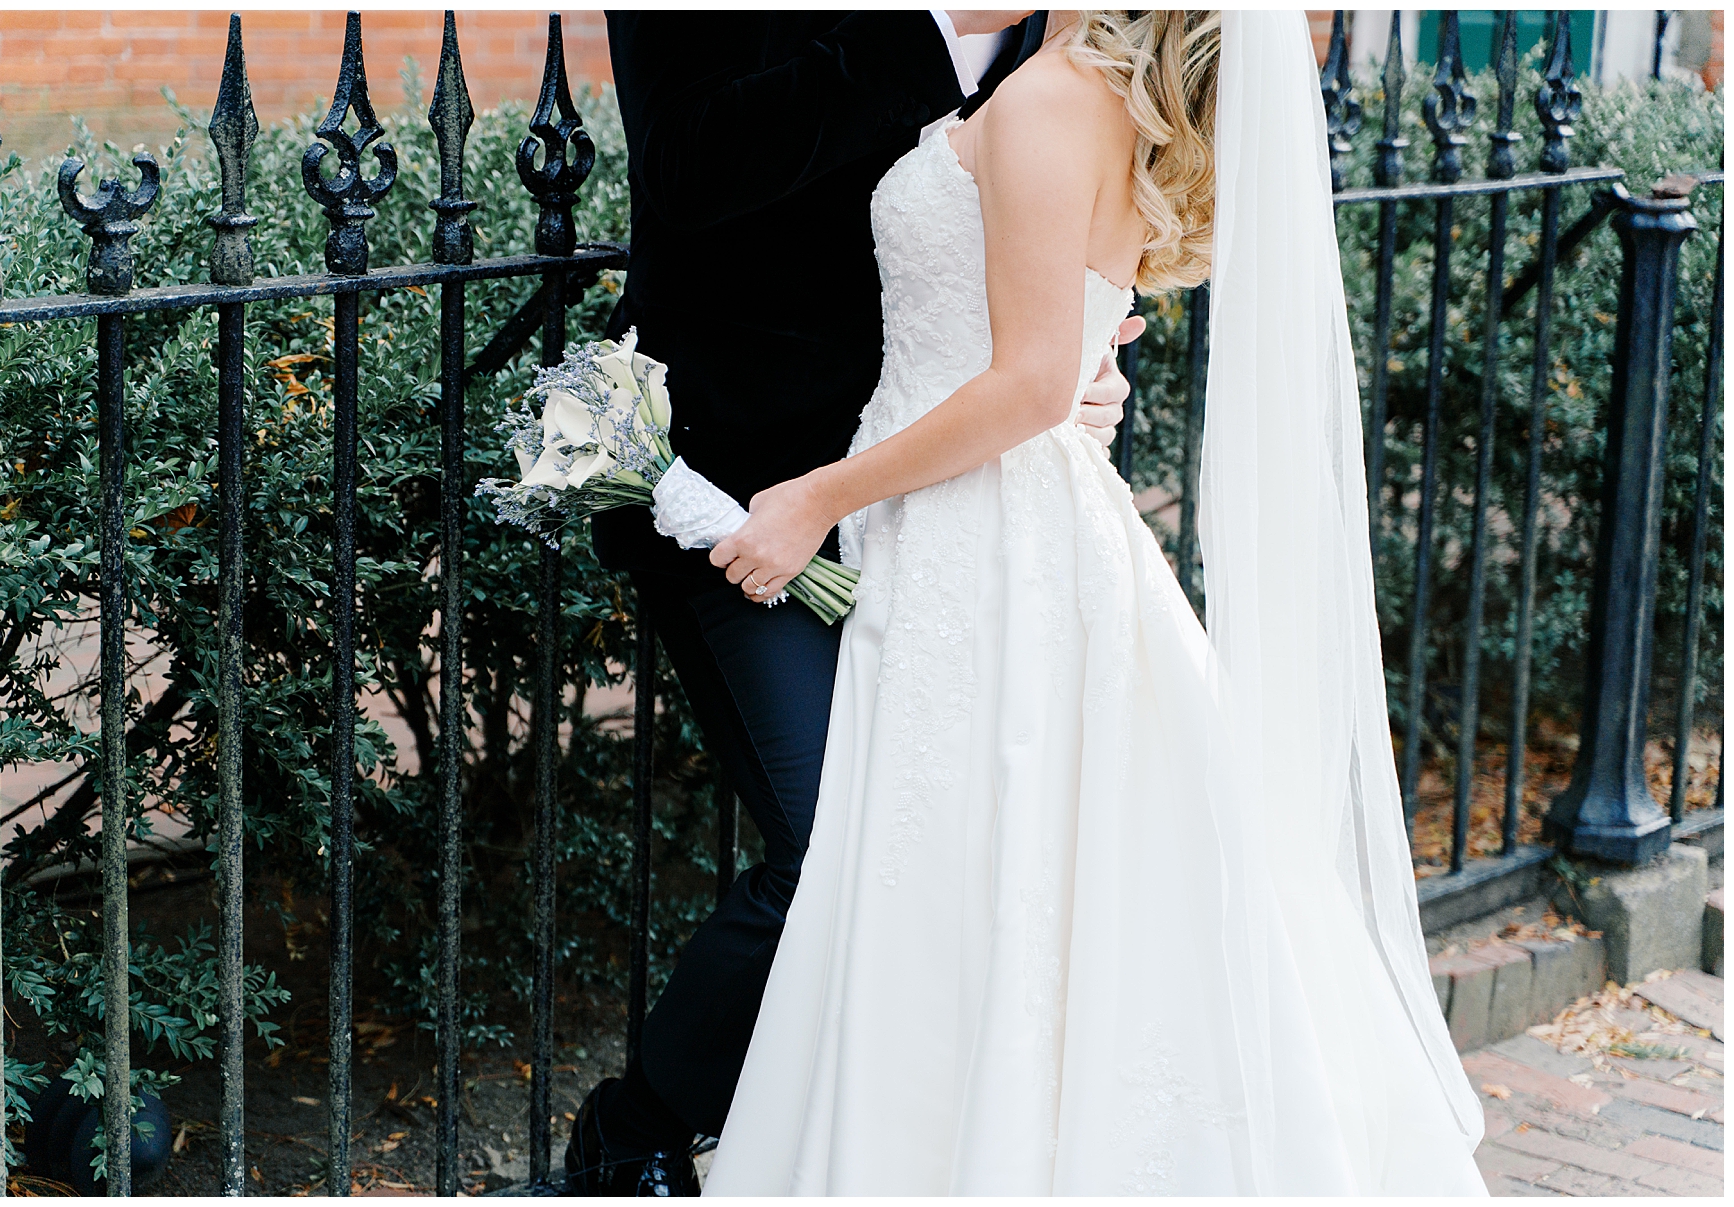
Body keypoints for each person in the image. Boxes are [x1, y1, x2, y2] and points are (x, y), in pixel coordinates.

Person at [701, 11, 1489, 1194]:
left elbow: (1021, 386)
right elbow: (1051, 341)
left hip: (984, 536)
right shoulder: (1079, 93)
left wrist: (815, 495)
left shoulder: (1051, 100)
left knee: (963, 878)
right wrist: (1085, 362)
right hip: (981, 525)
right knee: (996, 875)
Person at [571, 11, 1142, 1195]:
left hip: (954, 505)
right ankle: (635, 1128)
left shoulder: (1059, 27)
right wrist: (939, 26)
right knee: (836, 839)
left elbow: (1032, 218)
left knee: (970, 838)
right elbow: (689, 168)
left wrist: (1084, 355)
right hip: (749, 497)